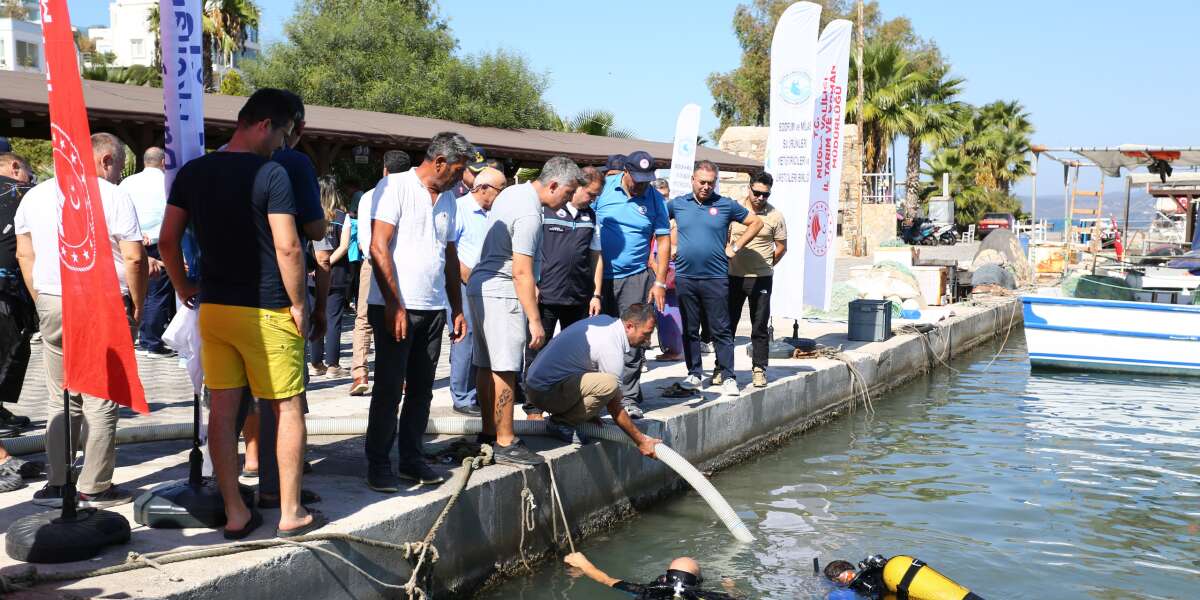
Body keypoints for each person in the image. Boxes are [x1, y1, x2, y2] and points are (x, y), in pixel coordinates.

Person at [159, 88, 323, 539]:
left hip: (214, 309)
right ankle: (290, 512)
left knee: (223, 411)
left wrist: (183, 286)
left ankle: (235, 512)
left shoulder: (194, 171)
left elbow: (168, 241)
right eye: (285, 133)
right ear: (265, 125)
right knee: (287, 407)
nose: (285, 144)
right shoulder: (272, 173)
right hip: (268, 309)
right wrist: (298, 304)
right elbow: (289, 246)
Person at [15, 132, 148, 509]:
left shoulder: (36, 194)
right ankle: (95, 484)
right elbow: (135, 258)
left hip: (52, 301)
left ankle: (58, 482)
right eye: (119, 167)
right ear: (106, 160)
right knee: (102, 396)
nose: (118, 174)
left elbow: (26, 253)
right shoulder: (113, 195)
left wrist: (41, 295)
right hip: (101, 301)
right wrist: (139, 304)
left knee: (61, 395)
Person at [364, 132, 469, 490]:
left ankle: (411, 458)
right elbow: (378, 246)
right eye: (457, 170)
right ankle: (378, 463)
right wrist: (395, 303)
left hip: (433, 307)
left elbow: (450, 256)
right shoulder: (396, 187)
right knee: (389, 389)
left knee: (422, 390)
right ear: (439, 161)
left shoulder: (450, 199)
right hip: (395, 307)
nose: (461, 177)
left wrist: (456, 307)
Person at [467, 156, 583, 466]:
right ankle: (506, 440)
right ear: (554, 184)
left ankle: (489, 432)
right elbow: (521, 271)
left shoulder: (511, 193)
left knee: (485, 364)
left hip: (481, 285)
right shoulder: (530, 211)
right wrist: (535, 320)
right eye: (569, 193)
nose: (569, 200)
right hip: (502, 288)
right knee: (504, 366)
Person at [668, 161, 763, 397]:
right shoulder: (678, 204)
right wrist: (670, 243)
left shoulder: (725, 205)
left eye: (711, 183)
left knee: (721, 329)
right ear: (692, 179)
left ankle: (729, 376)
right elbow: (657, 222)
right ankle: (694, 374)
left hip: (716, 277)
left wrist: (736, 246)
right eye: (702, 182)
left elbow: (756, 223)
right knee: (690, 329)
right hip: (685, 277)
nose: (706, 187)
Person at [594, 150, 671, 418]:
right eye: (637, 178)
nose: (641, 184)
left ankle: (628, 397)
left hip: (636, 276)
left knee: (634, 337)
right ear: (625, 172)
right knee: (597, 337)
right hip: (598, 277)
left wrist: (660, 281)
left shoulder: (654, 199)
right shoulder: (603, 191)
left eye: (646, 180)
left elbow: (663, 241)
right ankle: (597, 393)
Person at [524, 304, 661, 454]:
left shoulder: (606, 321)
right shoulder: (611, 346)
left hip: (537, 386)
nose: (648, 340)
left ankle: (568, 418)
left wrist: (590, 413)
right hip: (543, 392)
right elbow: (615, 409)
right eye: (646, 334)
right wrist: (641, 441)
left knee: (607, 384)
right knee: (610, 385)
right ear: (629, 326)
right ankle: (561, 424)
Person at [524, 165, 606, 380]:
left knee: (575, 353)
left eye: (597, 196)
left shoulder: (591, 216)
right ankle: (533, 405)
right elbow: (527, 251)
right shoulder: (545, 208)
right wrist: (532, 284)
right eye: (591, 194)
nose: (593, 199)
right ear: (578, 187)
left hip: (578, 297)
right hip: (546, 295)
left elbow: (596, 256)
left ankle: (567, 400)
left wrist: (596, 294)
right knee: (537, 349)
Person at [350, 150, 410, 396]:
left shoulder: (369, 196)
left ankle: (360, 373)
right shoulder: (411, 195)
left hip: (372, 262)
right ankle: (402, 375)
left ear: (385, 169)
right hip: (401, 265)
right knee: (402, 316)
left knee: (364, 319)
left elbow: (365, 237)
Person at [448, 167, 506, 417]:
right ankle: (462, 397)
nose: (502, 196)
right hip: (464, 285)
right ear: (482, 189)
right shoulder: (459, 209)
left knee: (483, 342)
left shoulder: (494, 213)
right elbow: (450, 252)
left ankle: (477, 392)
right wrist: (471, 279)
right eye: (500, 190)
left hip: (488, 286)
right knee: (465, 339)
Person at [727, 171, 786, 388]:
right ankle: (721, 367)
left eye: (765, 195)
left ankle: (759, 369)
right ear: (749, 188)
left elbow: (781, 247)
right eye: (757, 193)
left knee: (759, 326)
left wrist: (767, 265)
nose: (761, 198)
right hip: (733, 277)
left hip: (761, 279)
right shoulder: (734, 210)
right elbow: (724, 239)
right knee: (727, 325)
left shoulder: (775, 216)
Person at [119, 147, 176, 358]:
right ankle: (152, 341)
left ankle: (138, 337)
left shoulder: (127, 182)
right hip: (159, 241)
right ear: (163, 162)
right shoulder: (167, 183)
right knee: (158, 293)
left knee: (135, 290)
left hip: (132, 241)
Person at [0, 152, 35, 437]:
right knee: (8, 352)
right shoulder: (22, 192)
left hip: (8, 286)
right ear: (14, 167)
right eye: (29, 172)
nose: (30, 179)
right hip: (7, 288)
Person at [564, 552, 737, 599]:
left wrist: (582, 563)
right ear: (697, 583)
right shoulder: (708, 596)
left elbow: (605, 579)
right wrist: (730, 586)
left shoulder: (647, 590)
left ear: (664, 578)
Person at [311, 176, 351, 377]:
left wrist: (315, 264)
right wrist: (327, 261)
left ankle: (316, 363)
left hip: (312, 275)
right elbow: (344, 247)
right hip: (336, 276)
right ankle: (333, 365)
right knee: (333, 319)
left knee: (314, 317)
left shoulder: (311, 217)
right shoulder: (343, 217)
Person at [650, 178, 683, 361]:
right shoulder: (654, 215)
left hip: (669, 273)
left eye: (666, 195)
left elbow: (675, 249)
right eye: (659, 196)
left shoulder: (673, 221)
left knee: (670, 310)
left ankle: (674, 350)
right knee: (661, 312)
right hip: (656, 269)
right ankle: (670, 348)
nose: (664, 200)